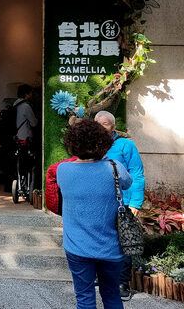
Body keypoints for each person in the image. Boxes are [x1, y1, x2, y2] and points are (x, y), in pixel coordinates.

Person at [57, 119, 132, 309]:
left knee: (84, 298)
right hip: (112, 247)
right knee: (112, 294)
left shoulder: (63, 170)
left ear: (73, 144)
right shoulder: (115, 167)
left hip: (77, 246)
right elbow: (127, 182)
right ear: (103, 143)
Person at [95, 110, 145, 301]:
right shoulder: (90, 146)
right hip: (99, 203)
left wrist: (135, 203)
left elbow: (137, 174)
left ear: (114, 126)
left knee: (124, 241)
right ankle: (102, 276)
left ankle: (123, 282)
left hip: (123, 203)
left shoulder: (126, 145)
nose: (101, 127)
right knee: (100, 240)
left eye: (105, 123)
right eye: (98, 123)